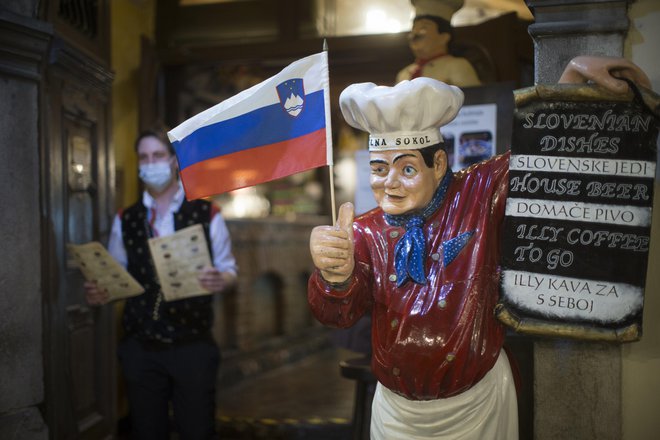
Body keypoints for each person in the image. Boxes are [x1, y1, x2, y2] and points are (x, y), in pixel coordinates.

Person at [307, 56, 651, 439]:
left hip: (478, 404)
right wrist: (334, 277)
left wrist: (572, 80)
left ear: (438, 164)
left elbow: (541, 152)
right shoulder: (364, 230)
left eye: (406, 169)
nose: (389, 184)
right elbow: (337, 315)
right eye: (377, 168)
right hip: (396, 411)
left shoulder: (479, 192)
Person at [85, 129, 238, 440]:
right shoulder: (125, 218)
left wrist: (219, 279)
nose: (150, 163)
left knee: (197, 430)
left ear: (172, 161)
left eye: (157, 156)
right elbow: (119, 276)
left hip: (192, 344)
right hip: (140, 347)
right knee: (146, 431)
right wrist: (102, 291)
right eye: (144, 157)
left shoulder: (207, 213)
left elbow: (229, 271)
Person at [396, 0, 481, 87]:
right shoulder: (404, 74)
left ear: (444, 37)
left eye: (423, 28)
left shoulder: (457, 66)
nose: (415, 34)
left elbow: (474, 97)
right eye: (413, 29)